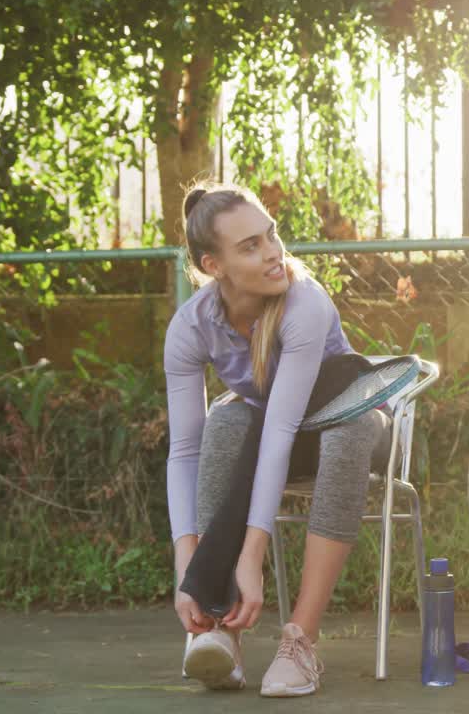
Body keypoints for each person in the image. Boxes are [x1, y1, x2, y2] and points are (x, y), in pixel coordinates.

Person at [164, 182, 387, 697]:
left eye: (271, 236)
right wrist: (187, 568)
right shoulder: (190, 327)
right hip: (271, 434)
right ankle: (218, 625)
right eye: (250, 246)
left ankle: (300, 639)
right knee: (227, 420)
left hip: (347, 415)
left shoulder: (303, 302)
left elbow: (282, 430)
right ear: (212, 265)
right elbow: (185, 452)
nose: (273, 253)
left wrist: (250, 555)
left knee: (345, 433)